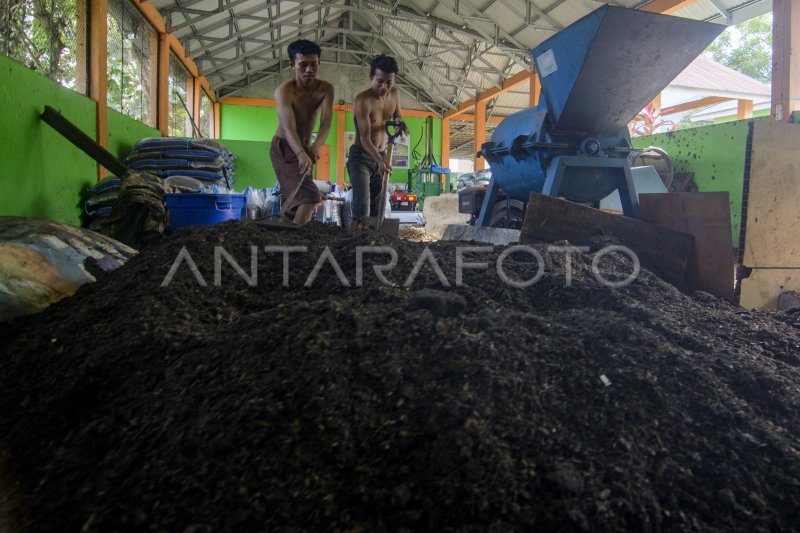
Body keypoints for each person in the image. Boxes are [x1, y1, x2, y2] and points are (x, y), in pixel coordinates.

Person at [270, 40, 334, 224]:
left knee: (294, 205)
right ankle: (296, 243)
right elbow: (288, 127)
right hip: (283, 148)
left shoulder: (325, 89)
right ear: (292, 65)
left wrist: (316, 147)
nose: (309, 70)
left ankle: (281, 242)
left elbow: (326, 123)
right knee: (310, 196)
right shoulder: (284, 91)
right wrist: (300, 153)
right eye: (303, 65)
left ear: (319, 64)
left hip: (304, 149)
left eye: (313, 64)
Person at [347, 54, 407, 231]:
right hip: (361, 158)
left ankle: (373, 243)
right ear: (371, 77)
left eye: (389, 82)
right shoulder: (362, 100)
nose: (384, 87)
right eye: (380, 81)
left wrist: (400, 123)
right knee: (362, 207)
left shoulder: (394, 94)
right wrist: (380, 162)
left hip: (382, 156)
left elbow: (398, 116)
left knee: (377, 208)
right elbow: (365, 139)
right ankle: (351, 247)